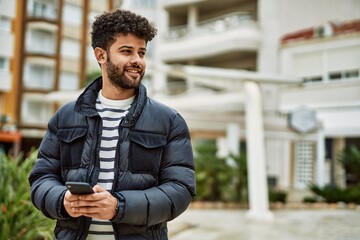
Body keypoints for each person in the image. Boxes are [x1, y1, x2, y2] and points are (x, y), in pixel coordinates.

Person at [28, 9, 196, 240]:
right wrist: (62, 199)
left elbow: (180, 190)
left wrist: (119, 206)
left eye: (141, 52)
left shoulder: (169, 121)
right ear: (101, 55)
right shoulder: (65, 117)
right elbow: (41, 179)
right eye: (126, 51)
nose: (137, 60)